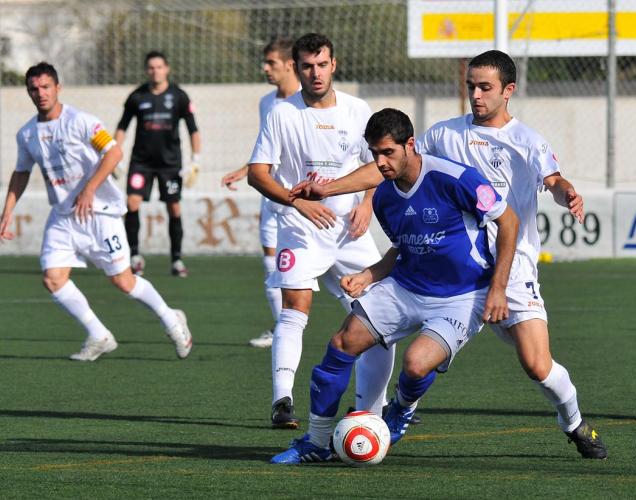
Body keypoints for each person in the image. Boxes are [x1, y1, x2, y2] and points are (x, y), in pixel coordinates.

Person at [291, 50, 608, 460]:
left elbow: (554, 180)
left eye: (485, 87)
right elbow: (391, 163)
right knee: (389, 349)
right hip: (452, 266)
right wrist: (329, 188)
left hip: (510, 268)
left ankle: (575, 423)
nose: (475, 95)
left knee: (536, 365)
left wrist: (569, 195)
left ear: (508, 90)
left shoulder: (527, 141)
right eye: (470, 86)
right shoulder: (444, 135)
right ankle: (386, 413)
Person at [270, 108, 519, 464]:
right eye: (375, 153)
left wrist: (498, 288)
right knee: (342, 343)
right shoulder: (385, 198)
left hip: (463, 295)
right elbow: (402, 249)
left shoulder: (455, 178)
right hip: (407, 286)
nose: (380, 162)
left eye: (388, 152)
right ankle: (317, 442)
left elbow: (509, 221)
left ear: (410, 145)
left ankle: (401, 408)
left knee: (416, 364)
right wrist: (369, 275)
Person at [0, 62, 193, 362]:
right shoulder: (26, 134)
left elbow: (114, 152)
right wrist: (8, 211)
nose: (41, 93)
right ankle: (98, 335)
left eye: (46, 87)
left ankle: (172, 319)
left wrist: (89, 189)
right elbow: (21, 171)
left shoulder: (81, 122)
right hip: (64, 217)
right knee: (53, 278)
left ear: (58, 87)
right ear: (28, 92)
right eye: (34, 89)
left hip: (99, 214)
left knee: (124, 282)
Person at [247, 33, 393, 429]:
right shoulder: (281, 113)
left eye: (322, 64)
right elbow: (257, 173)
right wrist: (297, 202)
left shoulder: (357, 110)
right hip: (300, 228)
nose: (316, 73)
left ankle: (372, 409)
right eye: (307, 66)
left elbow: (378, 164)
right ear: (296, 68)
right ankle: (282, 400)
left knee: (378, 318)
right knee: (295, 308)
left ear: (334, 65)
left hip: (349, 232)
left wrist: (367, 203)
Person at [221, 37, 300, 349]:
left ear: (290, 65)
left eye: (271, 63)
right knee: (271, 263)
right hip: (272, 196)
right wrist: (245, 170)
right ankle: (282, 329)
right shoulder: (267, 102)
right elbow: (266, 149)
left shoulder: (307, 100)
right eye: (265, 62)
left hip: (305, 198)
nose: (265, 68)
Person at [115, 50, 201, 278]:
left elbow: (193, 129)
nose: (155, 71)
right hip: (141, 162)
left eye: (159, 67)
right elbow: (122, 127)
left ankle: (177, 260)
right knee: (132, 203)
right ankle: (134, 257)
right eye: (151, 68)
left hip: (170, 164)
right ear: (146, 70)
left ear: (167, 69)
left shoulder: (179, 96)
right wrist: (115, 154)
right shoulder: (137, 96)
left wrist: (196, 160)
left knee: (174, 207)